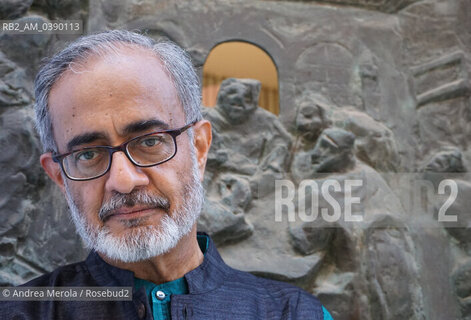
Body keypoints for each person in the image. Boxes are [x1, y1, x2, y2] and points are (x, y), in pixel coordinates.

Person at [1, 30, 333, 320]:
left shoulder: (295, 314)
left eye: (149, 142)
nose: (124, 180)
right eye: (88, 154)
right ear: (60, 176)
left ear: (200, 148)